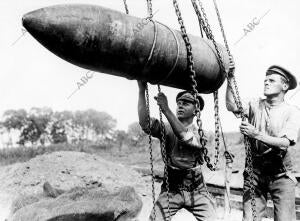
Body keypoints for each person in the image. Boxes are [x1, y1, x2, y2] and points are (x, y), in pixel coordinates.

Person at [226, 64, 300, 221]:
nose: (266, 83)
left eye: (272, 81)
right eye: (265, 80)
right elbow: (231, 105)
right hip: (255, 174)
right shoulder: (255, 104)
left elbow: (285, 142)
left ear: (285, 86)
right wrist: (230, 78)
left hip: (281, 175)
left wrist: (256, 134)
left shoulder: (292, 112)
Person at [137, 81, 216, 221]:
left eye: (186, 103)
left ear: (196, 110)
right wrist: (141, 90)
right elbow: (145, 123)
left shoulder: (203, 134)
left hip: (197, 190)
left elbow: (185, 137)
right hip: (171, 189)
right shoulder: (166, 128)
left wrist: (166, 109)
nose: (180, 105)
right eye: (179, 102)